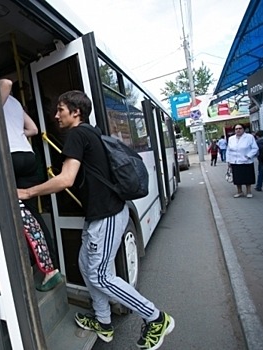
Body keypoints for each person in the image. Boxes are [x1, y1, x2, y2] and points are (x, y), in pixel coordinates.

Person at [17, 91, 174, 347]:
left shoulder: (78, 134)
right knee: (86, 266)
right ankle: (103, 321)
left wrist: (27, 192)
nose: (56, 115)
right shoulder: (90, 132)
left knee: (99, 275)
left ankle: (155, 318)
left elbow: (65, 179)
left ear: (76, 112)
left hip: (108, 215)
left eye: (61, 109)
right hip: (99, 216)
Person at [0, 79, 61, 291]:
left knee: (19, 216)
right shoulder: (15, 102)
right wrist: (17, 135)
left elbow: (6, 82)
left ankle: (46, 269)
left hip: (10, 157)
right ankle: (47, 264)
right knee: (30, 213)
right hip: (27, 156)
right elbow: (33, 129)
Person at [226, 124, 258, 198]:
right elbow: (228, 150)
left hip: (246, 161)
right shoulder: (231, 139)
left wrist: (248, 156)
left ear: (243, 129)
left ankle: (249, 191)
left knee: (247, 177)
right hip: (235, 161)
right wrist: (229, 161)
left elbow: (255, 148)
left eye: (240, 128)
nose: (238, 130)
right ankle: (239, 191)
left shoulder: (249, 137)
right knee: (237, 178)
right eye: (236, 129)